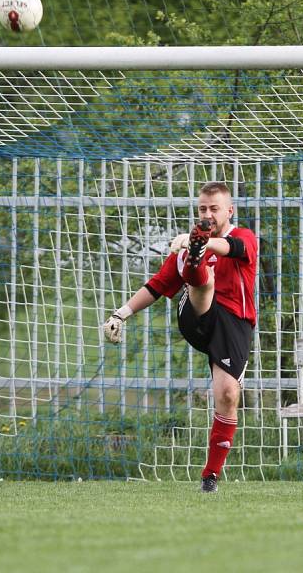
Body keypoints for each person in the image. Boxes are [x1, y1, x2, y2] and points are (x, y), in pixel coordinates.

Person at [102, 181, 257, 493]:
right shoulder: (182, 252)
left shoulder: (243, 236)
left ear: (230, 211)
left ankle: (210, 476)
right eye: (203, 209)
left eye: (215, 208)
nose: (208, 213)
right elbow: (156, 286)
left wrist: (202, 243)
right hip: (196, 315)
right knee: (202, 279)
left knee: (228, 395)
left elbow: (234, 249)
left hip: (233, 324)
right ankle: (198, 267)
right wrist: (120, 314)